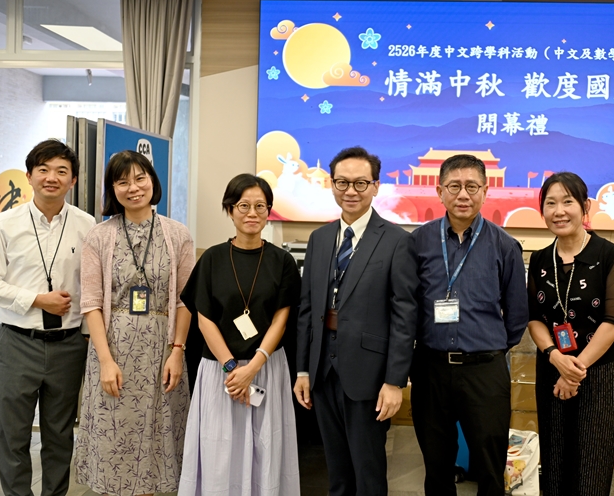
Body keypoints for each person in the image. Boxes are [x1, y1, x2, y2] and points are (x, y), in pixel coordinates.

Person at [294, 146, 418, 496]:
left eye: (361, 183)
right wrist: (303, 370)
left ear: (375, 186)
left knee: (368, 473)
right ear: (332, 184)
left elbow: (405, 315)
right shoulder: (319, 239)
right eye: (342, 182)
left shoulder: (397, 241)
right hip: (323, 371)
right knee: (337, 472)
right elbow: (307, 309)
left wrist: (394, 381)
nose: (351, 191)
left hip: (370, 375)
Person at [0, 139, 96, 496]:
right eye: (43, 170)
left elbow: (93, 287)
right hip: (18, 343)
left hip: (69, 346)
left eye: (61, 171)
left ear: (73, 180)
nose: (51, 178)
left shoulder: (86, 225)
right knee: (13, 435)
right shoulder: (5, 224)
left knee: (60, 435)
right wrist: (37, 300)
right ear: (29, 176)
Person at [74, 150, 195, 496]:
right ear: (113, 189)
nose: (133, 187)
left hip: (162, 352)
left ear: (152, 181)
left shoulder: (178, 234)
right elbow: (91, 303)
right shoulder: (99, 236)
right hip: (113, 351)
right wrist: (105, 360)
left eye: (140, 178)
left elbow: (186, 300)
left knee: (156, 438)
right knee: (114, 436)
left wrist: (177, 351)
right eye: (122, 181)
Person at [410, 153, 528, 496]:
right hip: (431, 368)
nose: (463, 194)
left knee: (490, 465)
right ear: (439, 191)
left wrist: (487, 347)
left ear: (485, 191)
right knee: (436, 465)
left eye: (472, 186)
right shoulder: (418, 242)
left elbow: (517, 315)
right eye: (454, 186)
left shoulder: (505, 245)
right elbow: (408, 304)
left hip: (484, 371)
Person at [179, 173, 302, 495]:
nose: (252, 213)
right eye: (243, 205)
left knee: (266, 447)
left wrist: (254, 367)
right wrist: (233, 368)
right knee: (219, 450)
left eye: (260, 206)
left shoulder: (282, 261)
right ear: (230, 210)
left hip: (266, 368)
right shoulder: (212, 259)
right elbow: (204, 320)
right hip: (220, 371)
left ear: (269, 211)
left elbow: (281, 320)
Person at [526, 172, 614, 496]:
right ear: (542, 211)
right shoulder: (539, 260)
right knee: (554, 470)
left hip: (597, 375)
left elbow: (613, 322)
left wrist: (574, 371)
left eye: (567, 202)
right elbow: (534, 319)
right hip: (551, 373)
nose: (559, 211)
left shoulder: (610, 255)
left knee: (590, 475)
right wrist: (555, 357)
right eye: (550, 203)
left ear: (585, 206)